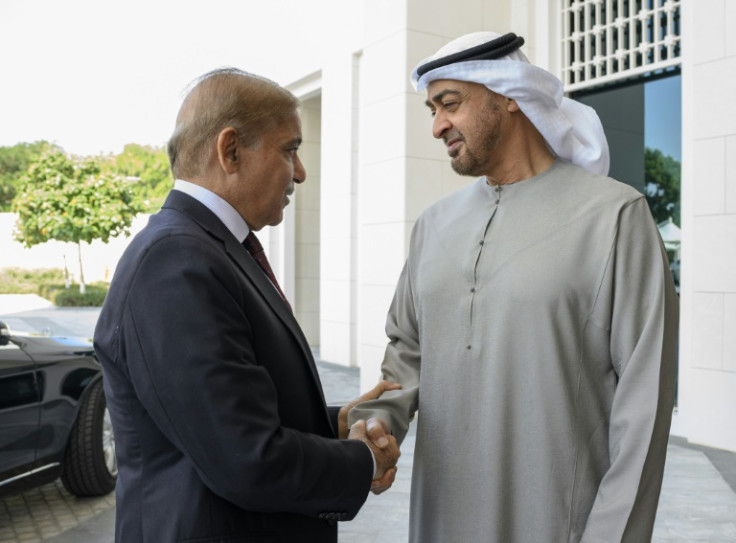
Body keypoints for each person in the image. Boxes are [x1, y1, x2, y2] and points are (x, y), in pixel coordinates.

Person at [349, 31, 679, 542]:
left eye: (450, 104)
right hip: (439, 523)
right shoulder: (433, 226)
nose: (437, 126)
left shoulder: (614, 217)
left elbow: (644, 408)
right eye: (432, 110)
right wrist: (375, 426)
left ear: (508, 96)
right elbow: (407, 355)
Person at [94, 67, 400, 543]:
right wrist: (363, 460)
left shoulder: (209, 249)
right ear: (230, 150)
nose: (300, 172)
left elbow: (229, 411)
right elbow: (244, 458)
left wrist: (332, 424)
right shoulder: (177, 261)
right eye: (289, 149)